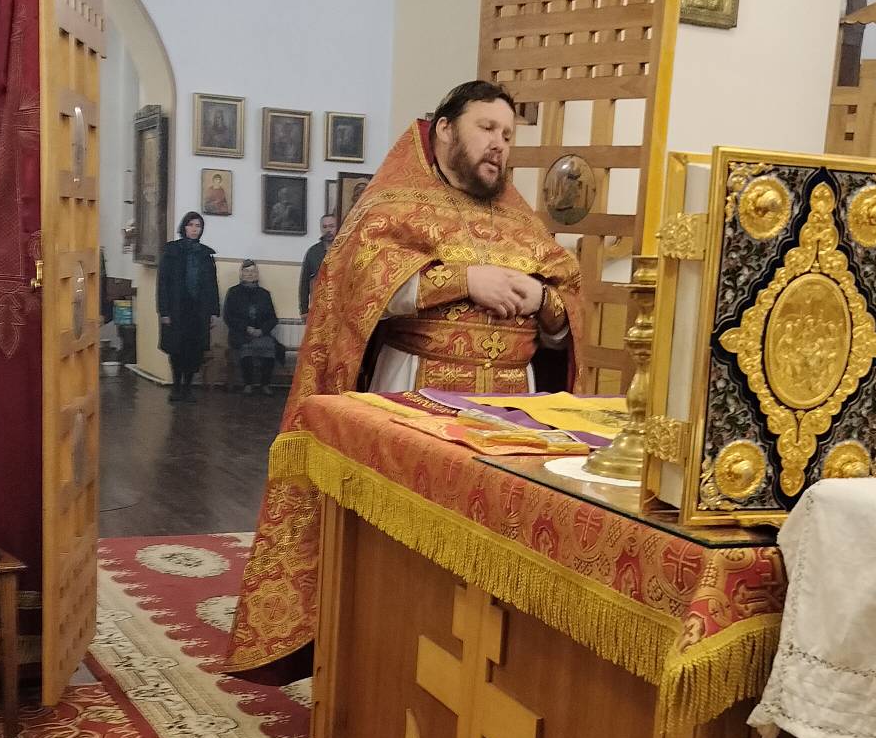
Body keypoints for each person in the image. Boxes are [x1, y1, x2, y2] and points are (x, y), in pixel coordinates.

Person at [227, 80, 581, 674]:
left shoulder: (524, 222)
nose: (499, 144)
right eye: (486, 128)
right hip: (415, 392)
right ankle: (386, 664)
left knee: (492, 548)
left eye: (507, 134)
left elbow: (567, 311)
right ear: (444, 129)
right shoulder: (392, 205)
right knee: (404, 546)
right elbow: (356, 285)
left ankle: (479, 674)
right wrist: (463, 280)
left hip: (513, 409)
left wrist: (546, 302)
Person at [157, 210, 220, 402]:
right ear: (184, 227)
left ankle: (187, 387)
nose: (194, 229)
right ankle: (176, 386)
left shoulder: (206, 254)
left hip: (198, 309)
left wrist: (213, 311)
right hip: (177, 308)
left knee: (195, 350)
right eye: (191, 225)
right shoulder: (172, 251)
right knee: (177, 348)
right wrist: (164, 311)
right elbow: (163, 283)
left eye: (198, 226)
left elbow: (212, 285)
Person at [223, 260, 283, 394]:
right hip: (241, 333)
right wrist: (246, 328)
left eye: (253, 271)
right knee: (246, 348)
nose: (250, 274)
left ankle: (265, 384)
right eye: (247, 271)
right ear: (241, 274)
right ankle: (248, 384)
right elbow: (228, 317)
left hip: (261, 333)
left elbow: (272, 318)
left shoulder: (264, 294)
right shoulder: (233, 292)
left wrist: (262, 330)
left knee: (269, 347)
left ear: (257, 274)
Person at [299, 212, 338, 314]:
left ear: (337, 227)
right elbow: (304, 282)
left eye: (331, 226)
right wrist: (304, 309)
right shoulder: (313, 252)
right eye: (324, 227)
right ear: (321, 229)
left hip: (340, 308)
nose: (328, 230)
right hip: (318, 308)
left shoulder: (345, 250)